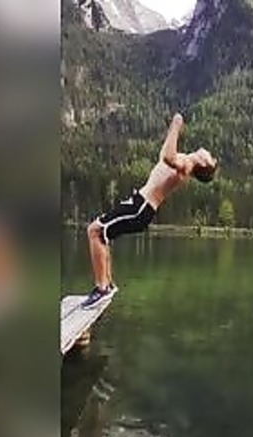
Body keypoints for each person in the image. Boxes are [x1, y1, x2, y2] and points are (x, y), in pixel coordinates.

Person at [81, 113, 218, 308]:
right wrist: (173, 130)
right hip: (139, 204)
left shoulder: (187, 166)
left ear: (203, 164)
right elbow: (165, 155)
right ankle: (107, 284)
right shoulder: (185, 160)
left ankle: (101, 289)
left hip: (141, 207)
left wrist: (176, 125)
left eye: (211, 158)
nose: (210, 153)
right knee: (101, 233)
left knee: (95, 231)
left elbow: (167, 157)